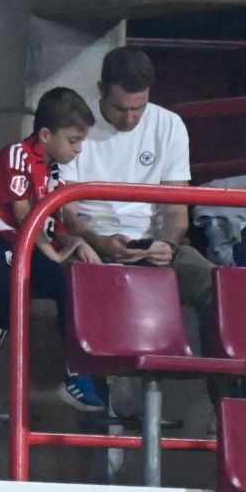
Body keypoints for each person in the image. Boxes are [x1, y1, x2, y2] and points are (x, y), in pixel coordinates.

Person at [0, 88, 105, 412]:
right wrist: (50, 253)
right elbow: (25, 216)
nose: (79, 149)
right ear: (46, 134)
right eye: (74, 140)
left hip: (20, 244)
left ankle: (75, 372)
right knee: (18, 282)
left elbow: (53, 226)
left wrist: (74, 243)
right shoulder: (15, 156)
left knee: (65, 285)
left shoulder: (54, 173)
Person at [59, 46, 211, 316]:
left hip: (151, 245)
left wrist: (168, 246)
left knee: (217, 287)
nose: (130, 118)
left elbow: (176, 210)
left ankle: (218, 360)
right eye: (120, 108)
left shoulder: (169, 125)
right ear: (100, 89)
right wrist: (97, 241)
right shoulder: (73, 126)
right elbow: (66, 209)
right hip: (89, 242)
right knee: (70, 279)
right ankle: (87, 358)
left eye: (139, 108)